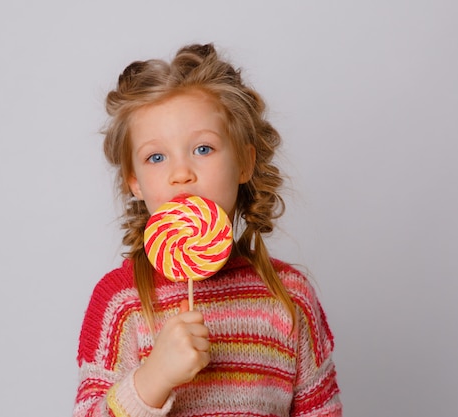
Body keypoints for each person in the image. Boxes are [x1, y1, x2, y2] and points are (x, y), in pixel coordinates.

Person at [73, 43, 342, 417]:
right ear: (135, 182)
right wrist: (152, 379)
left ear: (245, 163)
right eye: (156, 157)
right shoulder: (121, 302)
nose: (181, 173)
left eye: (203, 149)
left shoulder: (290, 298)